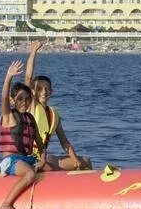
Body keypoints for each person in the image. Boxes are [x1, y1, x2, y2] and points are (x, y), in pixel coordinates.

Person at [23, 41, 91, 171]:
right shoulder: (31, 106)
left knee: (86, 162)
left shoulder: (54, 114)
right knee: (56, 170)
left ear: (51, 92)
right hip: (30, 159)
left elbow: (64, 142)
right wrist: (33, 52)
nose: (44, 92)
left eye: (47, 89)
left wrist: (75, 159)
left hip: (45, 157)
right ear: (33, 91)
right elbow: (27, 78)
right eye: (40, 89)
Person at [0, 59, 42, 209]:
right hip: (11, 160)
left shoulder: (30, 119)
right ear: (12, 101)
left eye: (28, 99)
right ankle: (6, 204)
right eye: (20, 99)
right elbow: (3, 97)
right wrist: (9, 76)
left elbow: (40, 146)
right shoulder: (8, 116)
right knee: (29, 175)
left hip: (28, 158)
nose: (24, 102)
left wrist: (42, 159)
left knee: (53, 164)